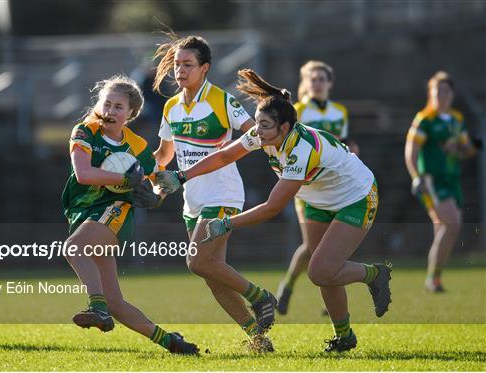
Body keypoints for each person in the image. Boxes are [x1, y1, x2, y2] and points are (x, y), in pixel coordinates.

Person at [156, 69, 392, 352]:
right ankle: (344, 338)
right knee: (324, 270)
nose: (258, 131)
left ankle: (374, 274)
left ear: (286, 127)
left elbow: (272, 207)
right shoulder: (262, 134)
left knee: (320, 271)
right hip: (318, 199)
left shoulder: (301, 149)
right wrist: (181, 176)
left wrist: (228, 223)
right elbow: (225, 154)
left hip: (356, 196)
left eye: (265, 126)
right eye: (257, 124)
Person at [152, 33, 276, 352]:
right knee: (211, 274)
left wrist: (280, 150)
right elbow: (164, 155)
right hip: (191, 200)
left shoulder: (221, 100)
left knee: (196, 261)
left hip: (223, 194)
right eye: (177, 64)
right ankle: (258, 339)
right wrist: (145, 174)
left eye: (188, 65)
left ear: (204, 68)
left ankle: (260, 297)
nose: (180, 70)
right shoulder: (170, 107)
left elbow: (254, 133)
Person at [61, 74, 198, 354]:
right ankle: (171, 342)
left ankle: (95, 308)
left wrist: (156, 198)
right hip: (85, 212)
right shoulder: (85, 131)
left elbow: (161, 180)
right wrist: (126, 178)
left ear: (130, 114)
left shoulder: (137, 147)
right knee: (116, 302)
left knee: (74, 248)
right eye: (106, 104)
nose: (110, 111)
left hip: (114, 211)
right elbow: (83, 174)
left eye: (118, 107)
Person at [277, 60, 359, 315]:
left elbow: (343, 143)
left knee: (328, 246)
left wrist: (351, 151)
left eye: (322, 79)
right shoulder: (298, 110)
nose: (318, 83)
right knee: (313, 247)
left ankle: (327, 300)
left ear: (329, 83)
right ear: (307, 83)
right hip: (307, 186)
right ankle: (289, 286)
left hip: (335, 186)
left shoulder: (339, 112)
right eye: (313, 79)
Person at [405, 71, 478, 293]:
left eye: (445, 90)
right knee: (452, 223)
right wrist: (417, 176)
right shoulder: (424, 120)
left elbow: (467, 150)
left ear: (452, 94)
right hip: (432, 180)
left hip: (452, 179)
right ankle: (433, 278)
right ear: (430, 94)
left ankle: (433, 278)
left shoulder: (457, 119)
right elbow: (411, 152)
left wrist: (463, 147)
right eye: (437, 90)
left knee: (444, 228)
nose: (441, 95)